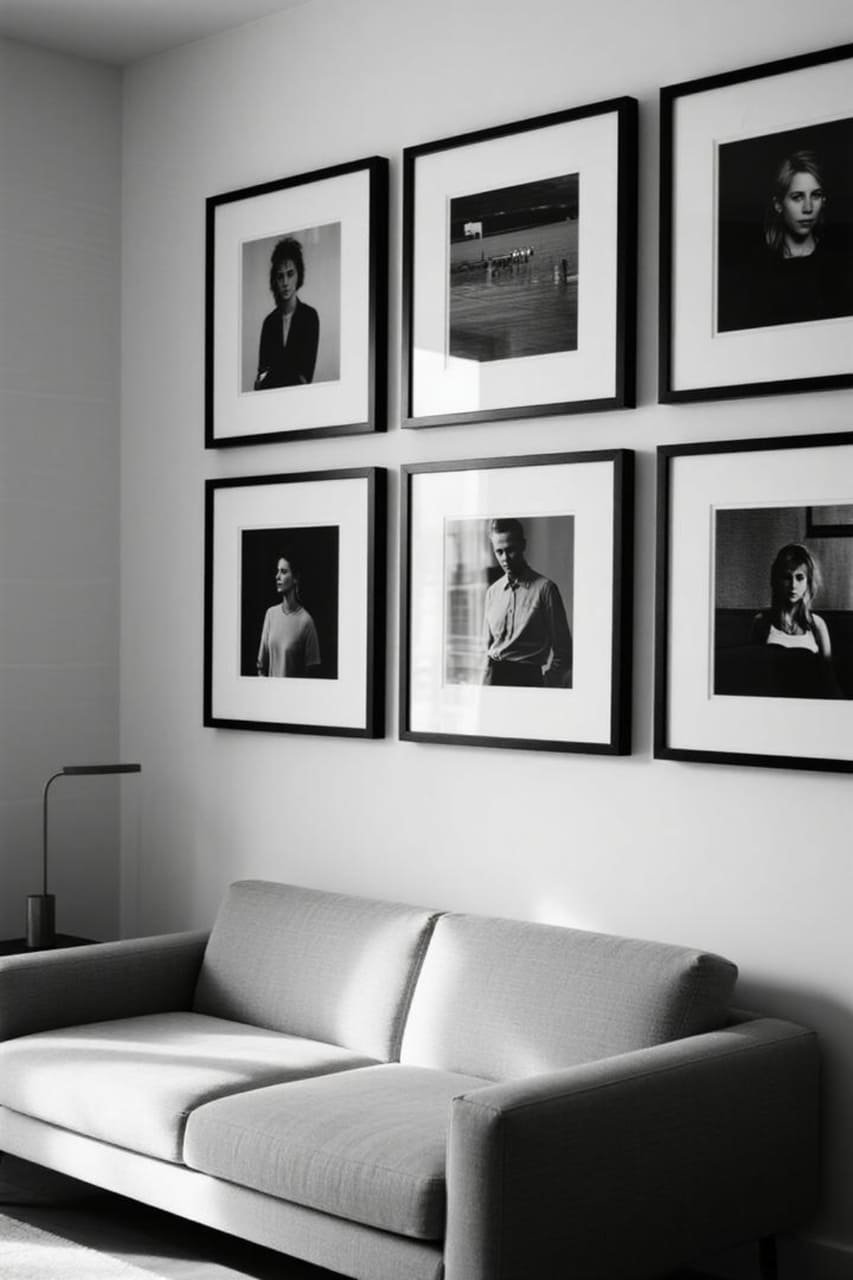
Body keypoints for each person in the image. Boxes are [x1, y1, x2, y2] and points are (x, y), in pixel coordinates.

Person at [719, 150, 852, 331]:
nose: (808, 208)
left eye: (816, 195)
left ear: (824, 199)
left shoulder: (840, 265)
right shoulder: (755, 272)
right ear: (778, 204)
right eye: (797, 197)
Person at [481, 518, 572, 688]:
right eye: (499, 552)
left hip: (527, 680)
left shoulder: (546, 589)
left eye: (511, 550)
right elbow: (485, 647)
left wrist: (547, 684)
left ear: (523, 545)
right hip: (492, 681)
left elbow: (564, 651)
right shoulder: (492, 592)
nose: (505, 558)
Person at [747, 543, 838, 698]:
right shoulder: (762, 622)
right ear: (777, 580)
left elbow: (829, 679)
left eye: (799, 577)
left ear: (808, 582)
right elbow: (753, 676)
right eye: (787, 577)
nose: (793, 585)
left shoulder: (817, 625)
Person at [254, 237, 319, 390]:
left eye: (290, 274)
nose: (285, 282)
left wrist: (273, 374)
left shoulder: (310, 317)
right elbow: (259, 380)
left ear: (298, 275)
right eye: (280, 276)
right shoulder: (269, 322)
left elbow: (305, 377)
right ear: (274, 280)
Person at [256, 553, 321, 678]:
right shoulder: (271, 614)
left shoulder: (306, 622)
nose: (277, 576)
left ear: (295, 578)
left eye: (284, 572)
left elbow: (312, 673)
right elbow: (261, 666)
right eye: (277, 571)